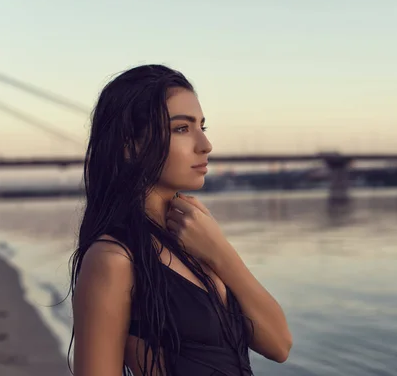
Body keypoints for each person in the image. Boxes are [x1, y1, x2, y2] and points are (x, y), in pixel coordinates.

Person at [68, 64, 292, 376]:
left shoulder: (197, 236)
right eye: (182, 129)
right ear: (130, 146)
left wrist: (220, 251)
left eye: (203, 127)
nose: (205, 145)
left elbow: (279, 345)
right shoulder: (113, 259)